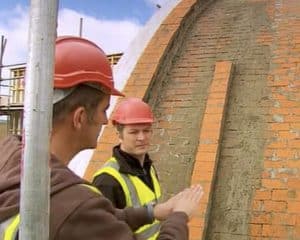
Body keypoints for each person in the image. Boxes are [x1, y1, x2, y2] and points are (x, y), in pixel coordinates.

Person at [0, 36, 203, 240]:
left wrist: (152, 212)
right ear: (79, 118)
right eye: (103, 109)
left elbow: (101, 216)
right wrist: (179, 216)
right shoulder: (79, 202)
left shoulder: (9, 155)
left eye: (146, 130)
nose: (105, 120)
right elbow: (84, 215)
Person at [92, 97, 162, 239]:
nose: (142, 137)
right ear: (119, 134)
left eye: (146, 130)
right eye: (134, 132)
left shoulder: (148, 167)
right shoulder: (107, 181)